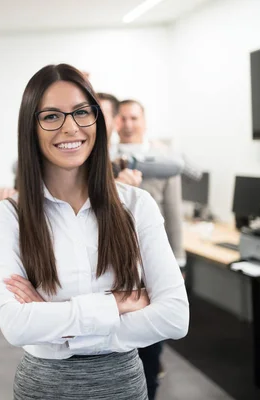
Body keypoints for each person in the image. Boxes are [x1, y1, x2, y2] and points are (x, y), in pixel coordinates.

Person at [0, 63, 189, 399]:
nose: (70, 128)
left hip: (121, 385)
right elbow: (16, 325)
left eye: (82, 112)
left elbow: (174, 317)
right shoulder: (11, 215)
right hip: (43, 388)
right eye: (51, 116)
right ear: (31, 127)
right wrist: (116, 304)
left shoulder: (136, 205)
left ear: (97, 120)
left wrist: (57, 322)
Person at [0, 91, 186, 202]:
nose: (72, 126)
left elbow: (176, 166)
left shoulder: (126, 160)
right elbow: (20, 165)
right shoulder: (74, 158)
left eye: (83, 114)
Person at [116, 99, 187, 399]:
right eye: (123, 118)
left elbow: (173, 212)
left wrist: (179, 263)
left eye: (134, 118)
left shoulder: (163, 161)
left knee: (150, 346)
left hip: (152, 264)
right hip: (118, 264)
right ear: (115, 122)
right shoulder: (104, 158)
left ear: (143, 121)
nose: (129, 124)